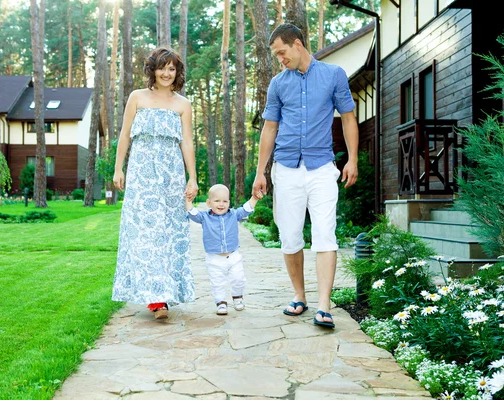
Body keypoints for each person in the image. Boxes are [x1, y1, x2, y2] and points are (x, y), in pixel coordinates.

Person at [252, 23, 359, 328]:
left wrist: (352, 159)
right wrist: (262, 172)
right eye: (276, 56)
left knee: (325, 233)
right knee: (289, 236)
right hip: (285, 169)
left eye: (282, 53)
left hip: (322, 168)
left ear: (297, 44)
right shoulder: (278, 84)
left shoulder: (333, 75)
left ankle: (324, 306)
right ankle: (300, 296)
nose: (280, 60)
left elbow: (348, 118)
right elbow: (270, 128)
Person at [112, 47, 198, 320]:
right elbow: (125, 135)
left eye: (172, 68)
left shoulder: (183, 104)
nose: (166, 73)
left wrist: (192, 177)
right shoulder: (137, 98)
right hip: (141, 174)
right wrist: (118, 168)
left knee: (169, 233)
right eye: (162, 67)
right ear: (153, 69)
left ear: (177, 73)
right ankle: (155, 298)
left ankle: (164, 294)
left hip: (171, 176)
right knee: (145, 233)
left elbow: (186, 142)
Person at [186, 184, 261, 315]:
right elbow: (192, 213)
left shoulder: (233, 214)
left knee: (238, 279)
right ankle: (220, 302)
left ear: (229, 202)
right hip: (214, 259)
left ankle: (238, 298)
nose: (221, 204)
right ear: (209, 203)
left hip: (233, 256)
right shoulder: (204, 217)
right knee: (217, 282)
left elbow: (246, 209)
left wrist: (254, 198)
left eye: (225, 201)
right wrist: (188, 200)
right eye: (217, 201)